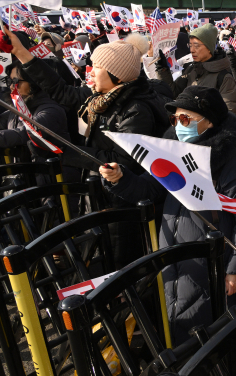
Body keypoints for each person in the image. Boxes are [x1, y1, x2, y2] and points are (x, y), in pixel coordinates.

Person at [99, 86, 236, 375]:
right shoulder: (172, 153)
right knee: (183, 327)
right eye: (175, 120)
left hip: (216, 263)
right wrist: (120, 179)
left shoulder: (232, 165)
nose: (178, 126)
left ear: (209, 121)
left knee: (225, 335)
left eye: (186, 120)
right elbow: (148, 187)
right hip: (176, 254)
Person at [3, 27, 170, 267]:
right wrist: (21, 52)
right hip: (102, 195)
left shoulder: (136, 109)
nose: (89, 72)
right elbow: (61, 90)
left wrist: (69, 152)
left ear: (116, 75)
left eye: (96, 67)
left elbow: (121, 161)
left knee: (125, 267)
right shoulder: (103, 97)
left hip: (125, 205)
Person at [157, 23, 236, 115]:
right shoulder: (190, 69)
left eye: (196, 46)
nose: (192, 50)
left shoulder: (224, 77)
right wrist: (163, 70)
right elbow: (173, 93)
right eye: (190, 45)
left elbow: (229, 114)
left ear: (209, 48)